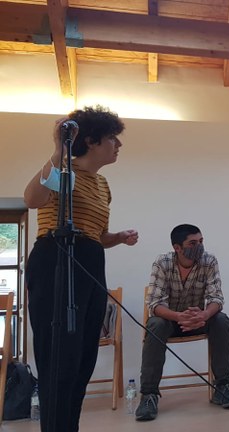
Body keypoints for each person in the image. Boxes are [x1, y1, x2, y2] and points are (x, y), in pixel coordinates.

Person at [24, 106, 139, 432]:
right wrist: (58, 151)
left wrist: (118, 238)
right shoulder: (62, 170)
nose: (119, 145)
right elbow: (32, 199)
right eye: (112, 138)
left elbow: (96, 235)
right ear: (90, 140)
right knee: (59, 356)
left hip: (90, 262)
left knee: (83, 358)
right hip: (55, 260)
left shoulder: (102, 185)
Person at [135, 224, 229, 421]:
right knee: (155, 324)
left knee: (221, 319)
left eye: (201, 241)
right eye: (193, 243)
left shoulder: (209, 261)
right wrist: (178, 316)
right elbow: (155, 305)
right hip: (170, 321)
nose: (199, 246)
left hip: (199, 319)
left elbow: (217, 298)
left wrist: (204, 315)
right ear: (177, 247)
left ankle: (223, 387)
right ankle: (148, 395)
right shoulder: (162, 262)